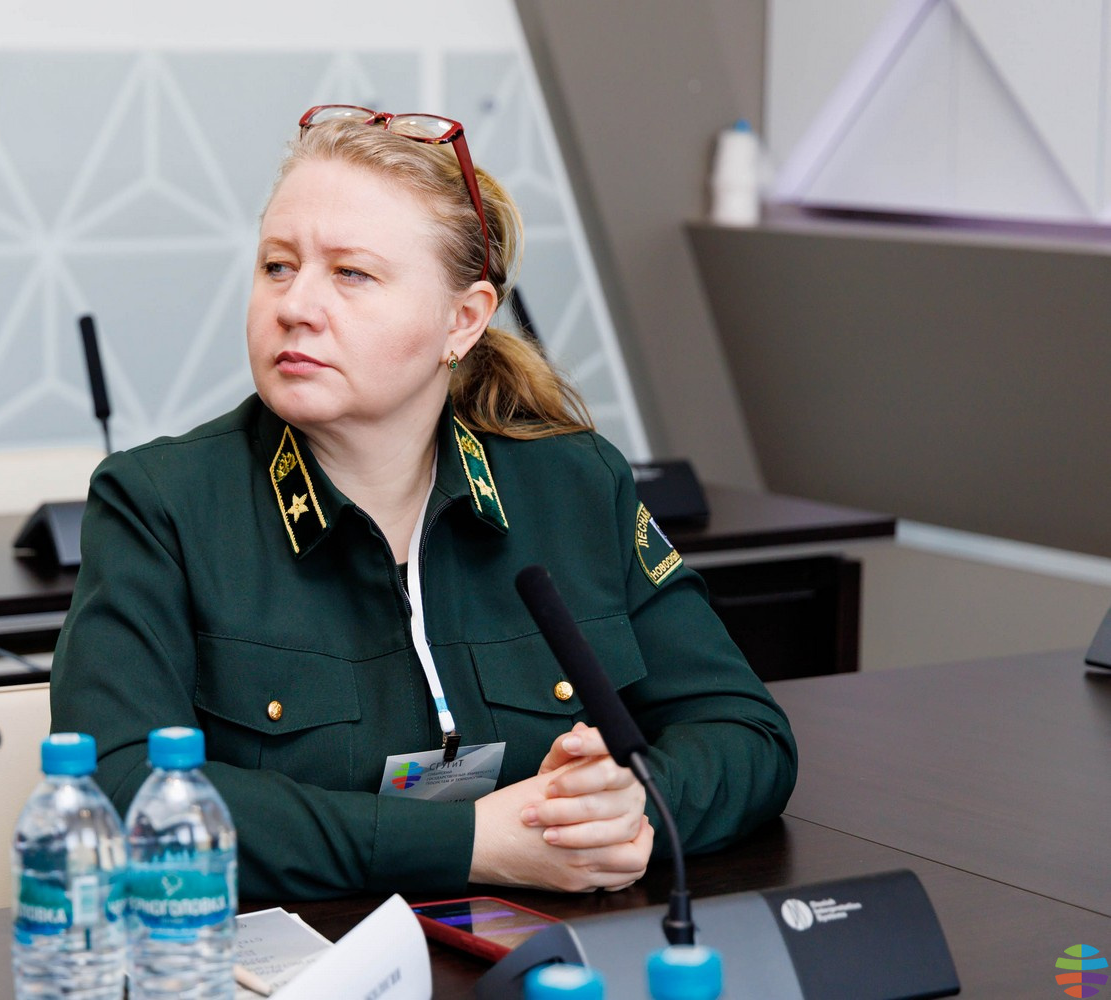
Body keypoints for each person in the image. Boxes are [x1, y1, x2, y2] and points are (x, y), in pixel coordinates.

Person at [51, 105, 796, 900]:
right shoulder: (159, 505)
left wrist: (622, 810)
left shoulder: (575, 486)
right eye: (277, 266)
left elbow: (747, 735)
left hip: (548, 947)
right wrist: (470, 843)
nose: (294, 305)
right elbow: (119, 794)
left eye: (351, 274)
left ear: (462, 321)